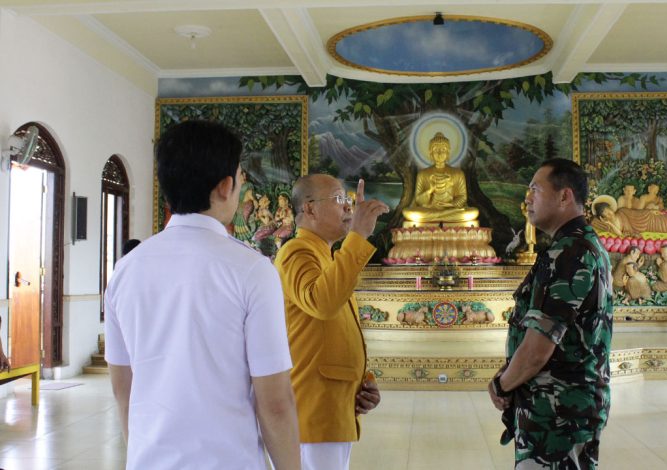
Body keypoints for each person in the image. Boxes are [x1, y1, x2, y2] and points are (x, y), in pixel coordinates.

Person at [105, 120, 300, 470]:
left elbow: (123, 388)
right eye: (241, 176)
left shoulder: (126, 269)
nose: (242, 185)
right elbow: (275, 402)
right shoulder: (252, 271)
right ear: (226, 186)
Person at [488, 159, 613, 469]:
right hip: (558, 411)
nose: (527, 198)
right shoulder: (576, 246)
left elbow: (537, 350)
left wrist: (502, 384)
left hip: (557, 415)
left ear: (564, 196)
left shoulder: (571, 252)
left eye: (534, 189)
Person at [275, 174, 388, 470]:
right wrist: (359, 236)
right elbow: (323, 303)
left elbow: (329, 332)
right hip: (312, 413)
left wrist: (359, 384)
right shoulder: (296, 252)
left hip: (332, 407)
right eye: (340, 200)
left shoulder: (327, 256)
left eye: (348, 201)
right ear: (309, 209)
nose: (348, 208)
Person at [402, 132, 479, 225]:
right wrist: (430, 190)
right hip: (430, 210)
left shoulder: (458, 173)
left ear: (448, 152)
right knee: (408, 213)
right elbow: (419, 200)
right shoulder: (423, 174)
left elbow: (463, 197)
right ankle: (443, 216)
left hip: (451, 209)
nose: (439, 153)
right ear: (431, 153)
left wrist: (451, 204)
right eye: (436, 150)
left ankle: (439, 216)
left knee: (473, 212)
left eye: (443, 150)